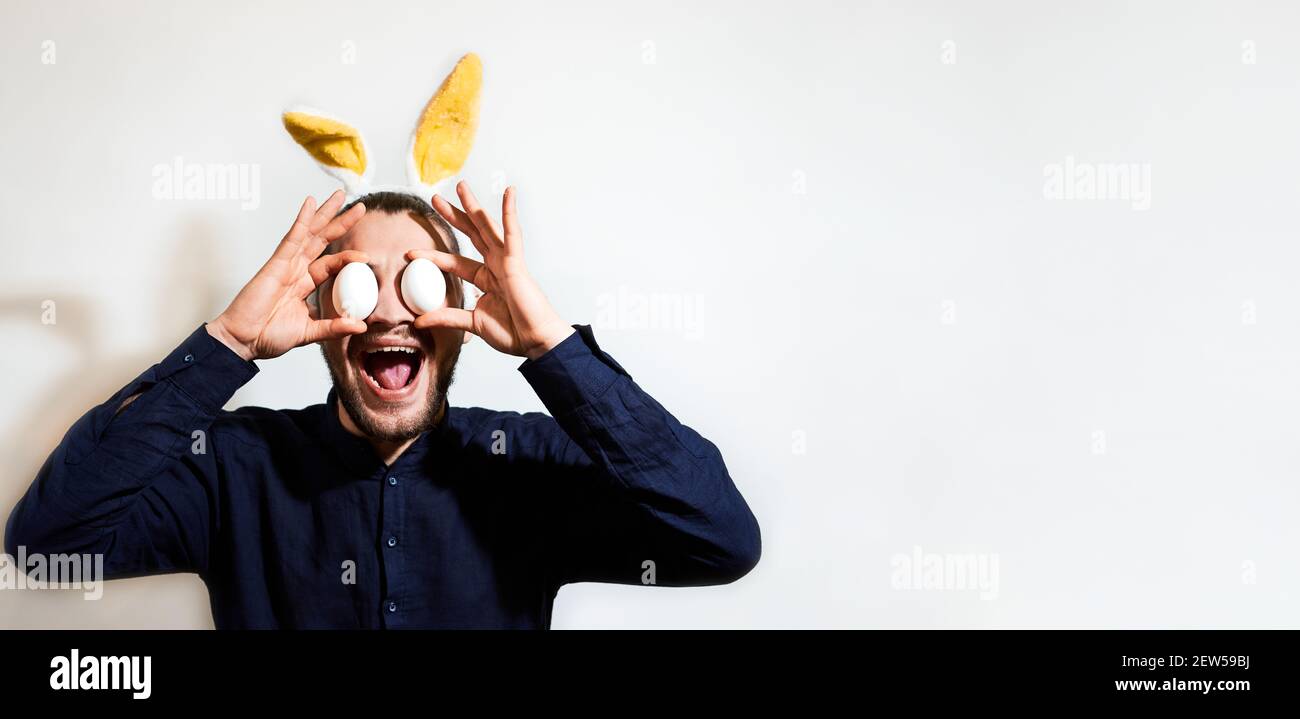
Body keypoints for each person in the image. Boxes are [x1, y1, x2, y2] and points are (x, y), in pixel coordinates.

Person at [4, 182, 761, 628]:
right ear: (326, 311)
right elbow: (40, 543)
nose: (389, 313)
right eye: (362, 281)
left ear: (466, 314)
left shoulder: (530, 468)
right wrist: (226, 344)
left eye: (422, 281)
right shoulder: (232, 468)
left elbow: (722, 539)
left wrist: (552, 349)